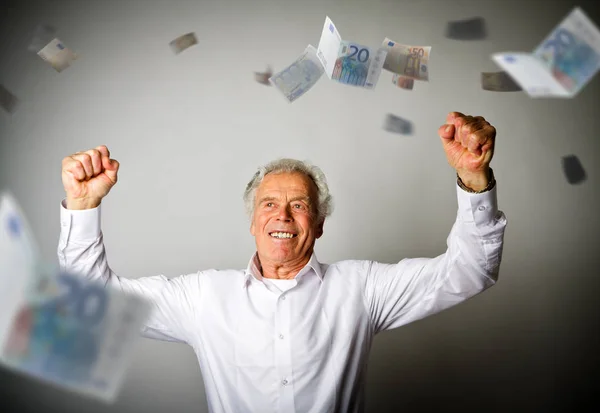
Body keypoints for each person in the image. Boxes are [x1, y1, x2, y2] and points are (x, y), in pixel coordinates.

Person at [57, 111, 506, 413]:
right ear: (253, 222)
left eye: (300, 205)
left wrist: (472, 177)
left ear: (321, 222)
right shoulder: (204, 297)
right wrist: (81, 205)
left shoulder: (361, 288)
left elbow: (470, 270)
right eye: (269, 204)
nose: (283, 216)